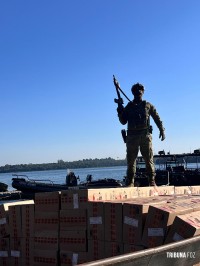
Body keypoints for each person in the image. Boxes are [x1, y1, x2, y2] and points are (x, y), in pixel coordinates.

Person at [117, 82, 165, 186]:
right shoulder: (129, 106)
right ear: (133, 93)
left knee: (149, 159)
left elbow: (156, 117)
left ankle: (152, 181)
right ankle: (130, 182)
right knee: (131, 161)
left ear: (142, 92)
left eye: (140, 91)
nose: (138, 93)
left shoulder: (148, 105)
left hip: (145, 136)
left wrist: (162, 129)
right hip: (132, 137)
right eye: (136, 91)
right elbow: (123, 121)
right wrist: (120, 110)